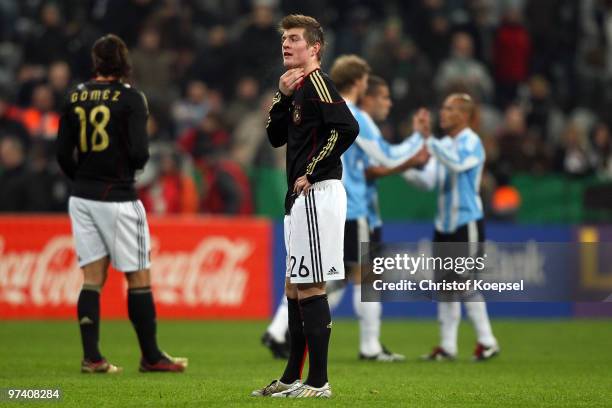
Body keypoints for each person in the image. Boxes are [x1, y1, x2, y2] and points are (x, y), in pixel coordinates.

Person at [56, 34, 187, 374]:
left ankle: (92, 357)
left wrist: (83, 176)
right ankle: (152, 356)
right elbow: (141, 152)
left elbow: (61, 153)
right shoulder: (131, 98)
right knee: (139, 276)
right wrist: (124, 172)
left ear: (96, 61)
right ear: (124, 61)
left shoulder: (75, 95)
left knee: (92, 277)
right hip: (117, 196)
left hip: (82, 195)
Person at [251, 14, 359, 399]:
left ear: (314, 48)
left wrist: (311, 171)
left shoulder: (318, 82)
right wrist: (280, 96)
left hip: (318, 193)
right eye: (284, 38)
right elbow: (276, 136)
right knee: (295, 289)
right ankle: (291, 377)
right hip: (299, 198)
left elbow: (347, 127)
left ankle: (319, 381)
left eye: (294, 38)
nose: (286, 44)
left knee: (311, 286)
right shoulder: (297, 87)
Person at [331, 59, 429, 362]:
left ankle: (290, 334)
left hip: (327, 204)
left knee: (332, 277)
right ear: (359, 82)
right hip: (353, 207)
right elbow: (384, 156)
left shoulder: (327, 110)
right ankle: (370, 346)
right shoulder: (354, 116)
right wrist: (417, 140)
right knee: (367, 278)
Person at [403, 94, 500, 361]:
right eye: (443, 107)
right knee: (445, 285)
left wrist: (428, 139)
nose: (442, 113)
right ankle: (448, 347)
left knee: (464, 282)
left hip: (466, 223)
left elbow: (457, 164)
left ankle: (488, 341)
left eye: (449, 109)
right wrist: (400, 166)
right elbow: (427, 182)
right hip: (443, 225)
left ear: (464, 116)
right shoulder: (444, 144)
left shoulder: (472, 142)